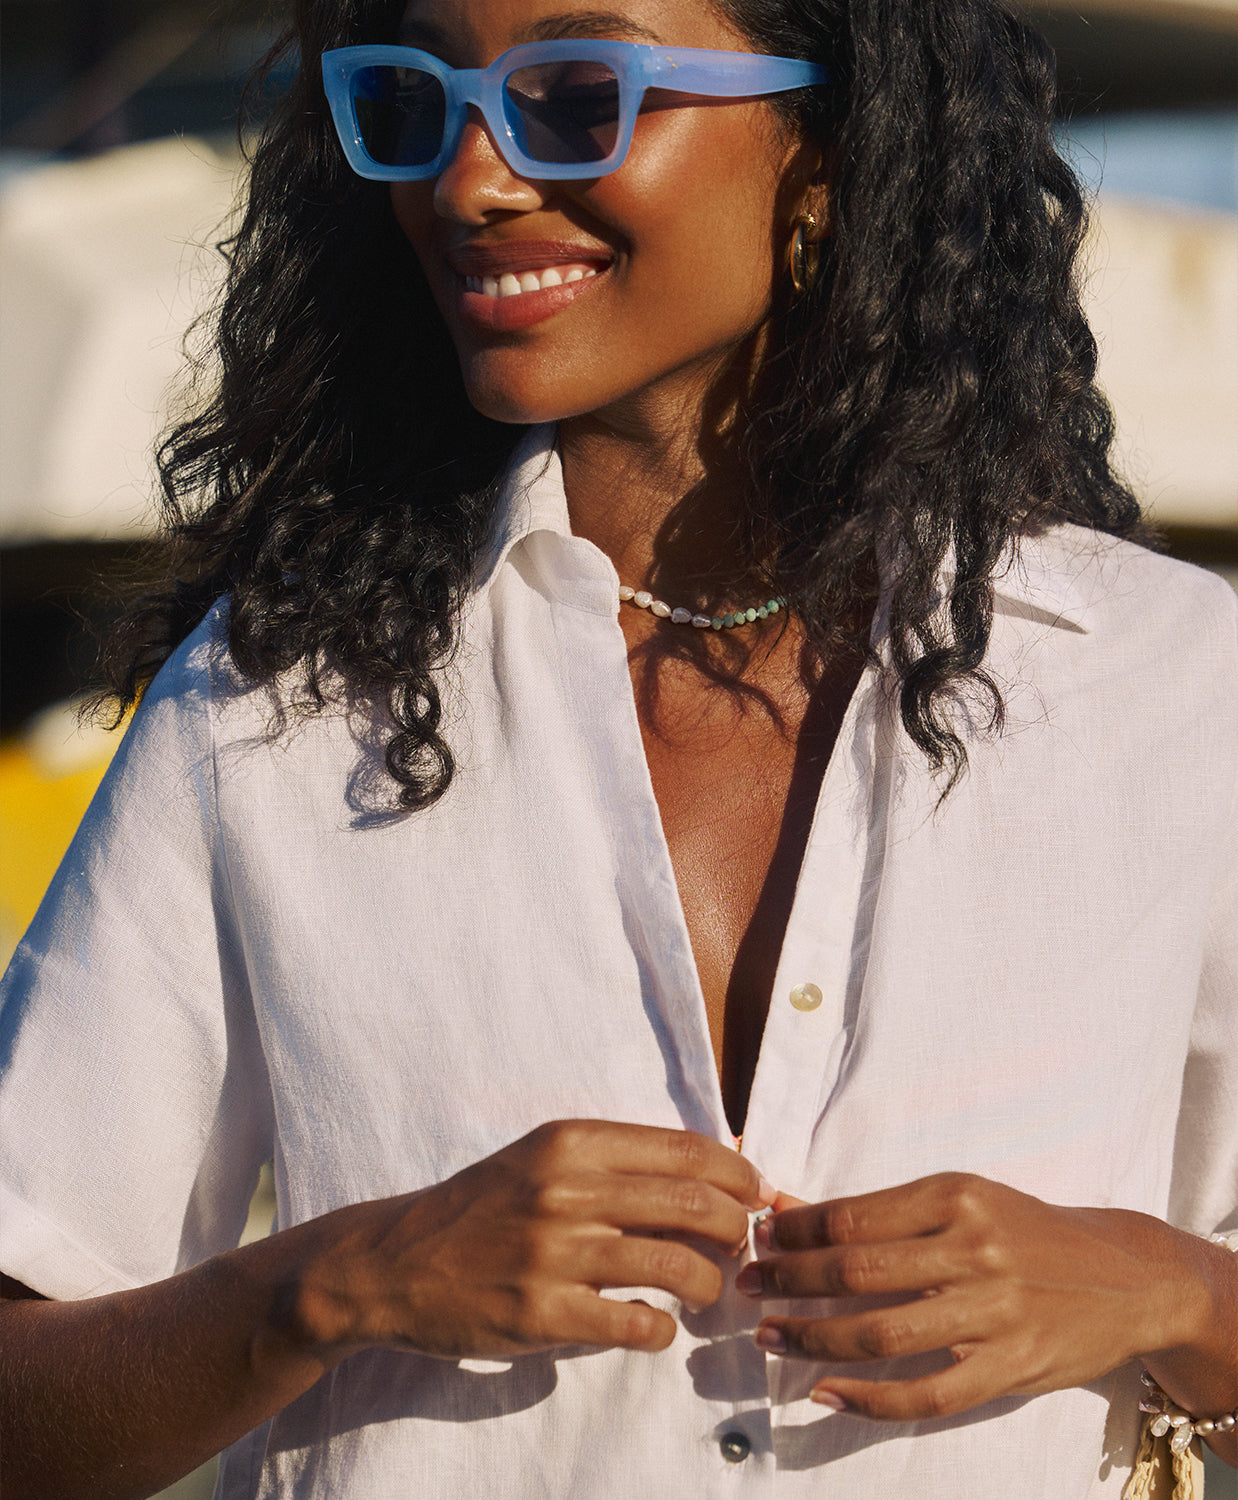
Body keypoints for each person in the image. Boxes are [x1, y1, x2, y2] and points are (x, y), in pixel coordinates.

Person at [1, 0, 1235, 1495]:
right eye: (412, 104)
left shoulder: (1172, 683)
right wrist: (330, 1284)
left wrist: (1173, 1297)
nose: (468, 181)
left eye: (575, 96)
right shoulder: (277, 702)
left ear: (830, 149)